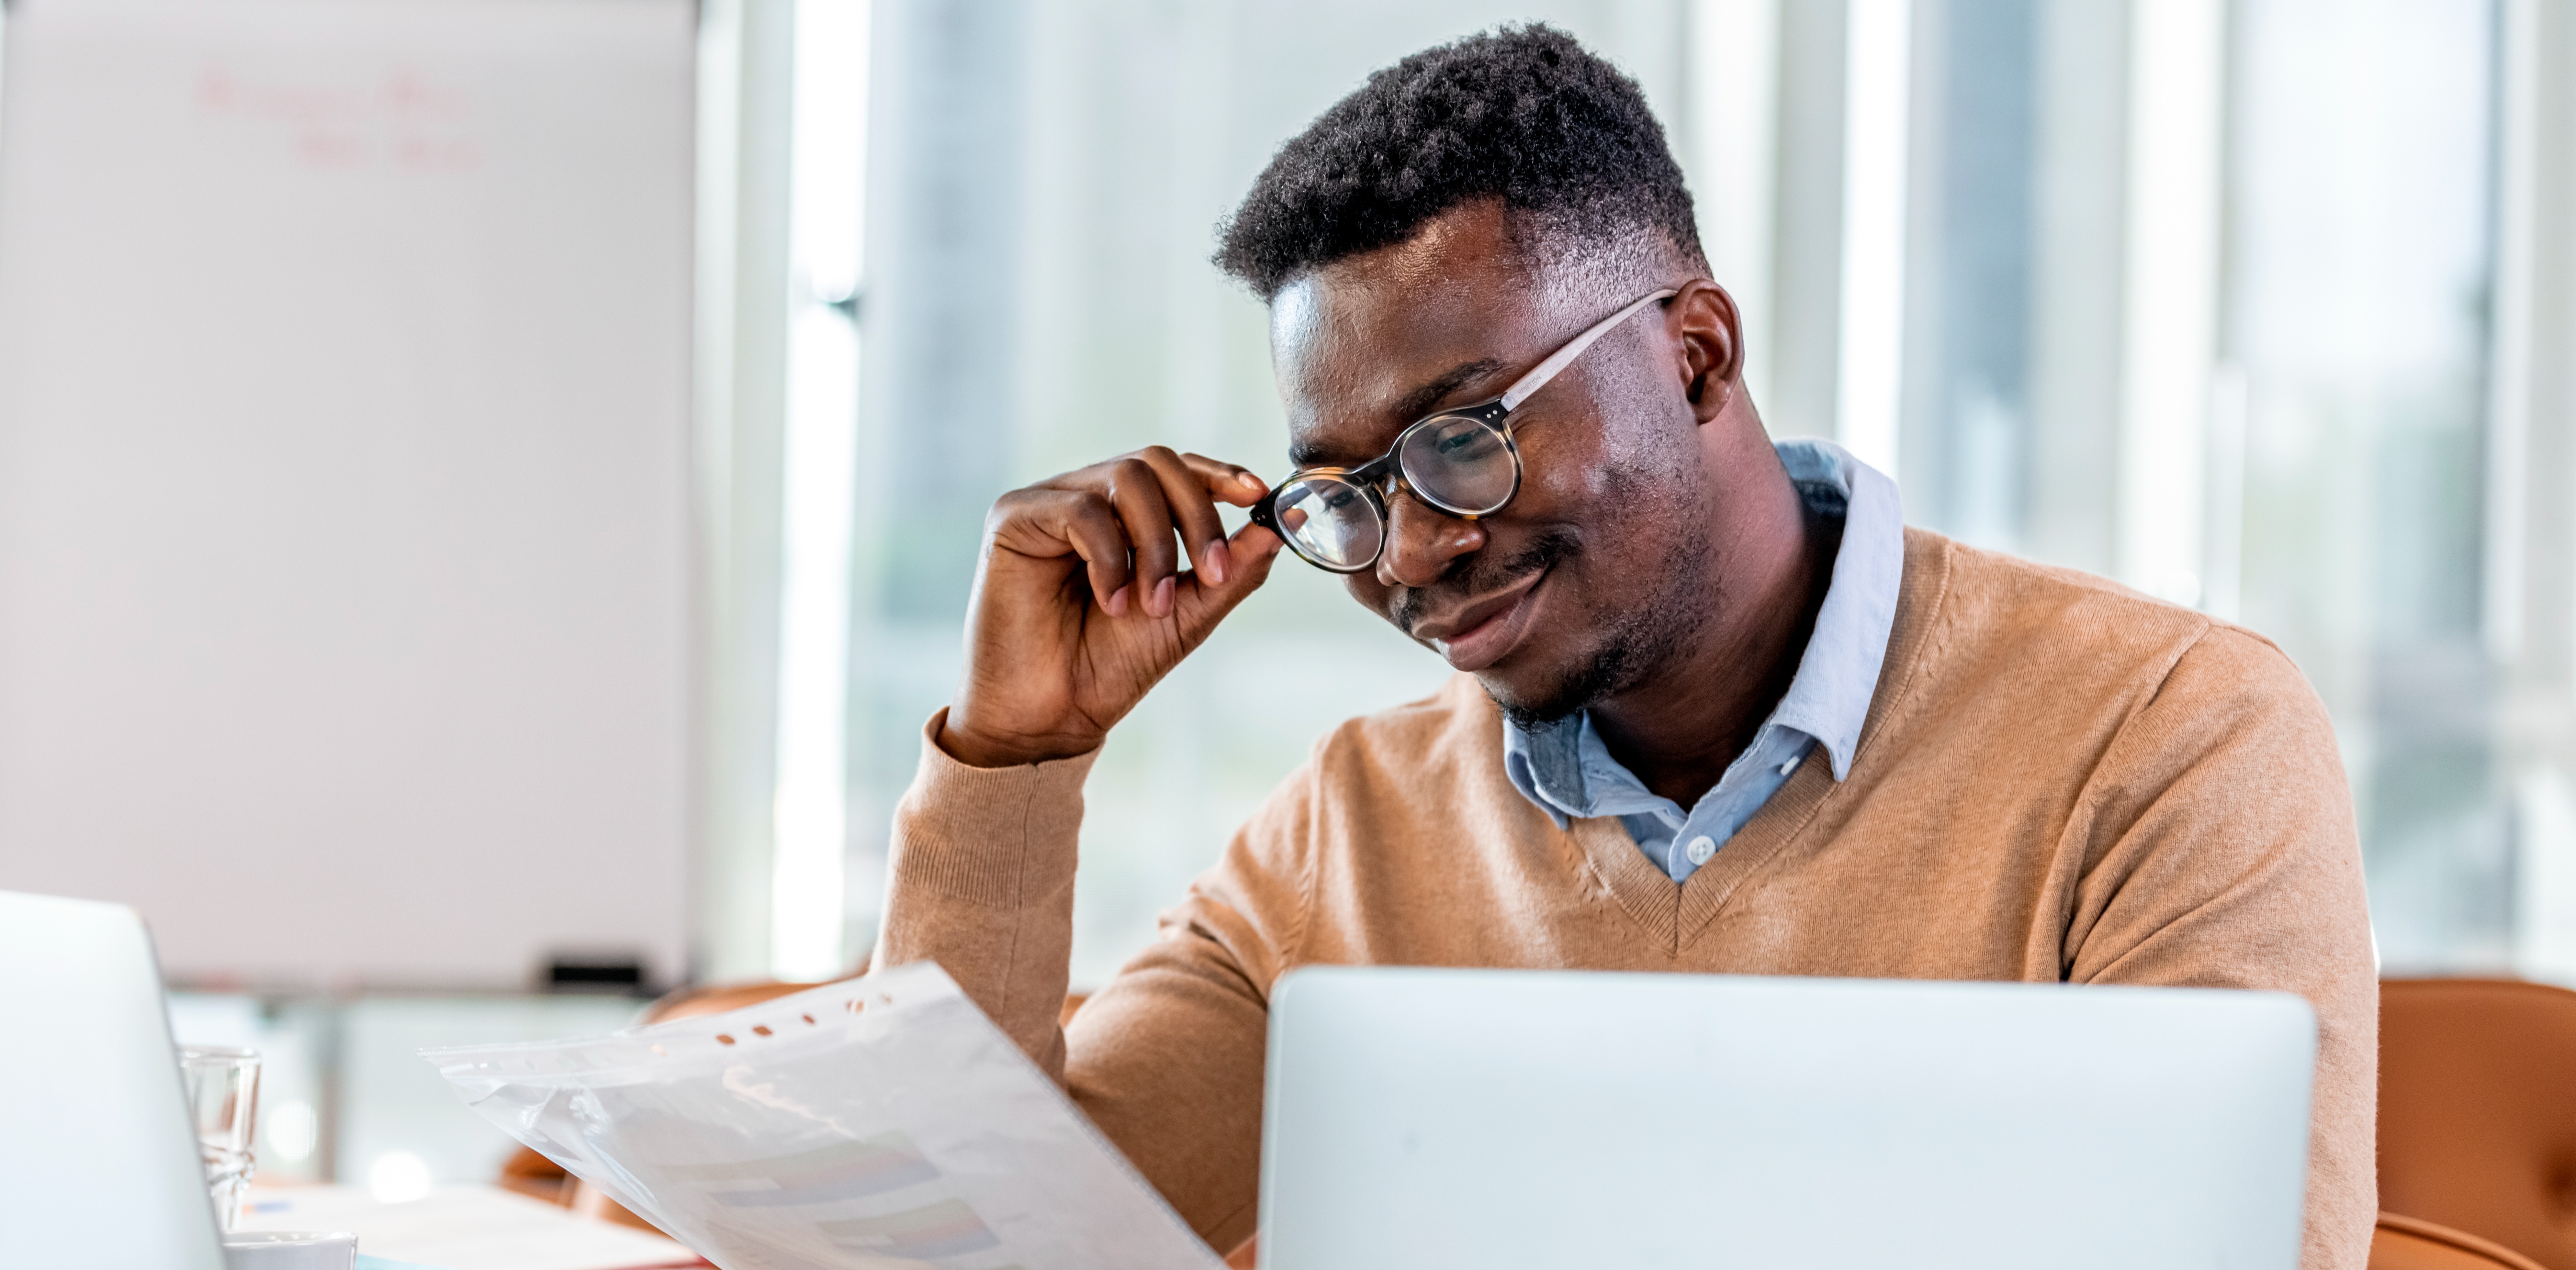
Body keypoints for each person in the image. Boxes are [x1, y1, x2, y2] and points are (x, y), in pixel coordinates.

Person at [871, 23, 2375, 1270]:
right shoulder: (1351, 831)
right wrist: (1018, 754)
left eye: (1462, 441)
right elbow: (970, 1249)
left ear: (1696, 356)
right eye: (1346, 494)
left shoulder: (2168, 736)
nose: (1410, 551)